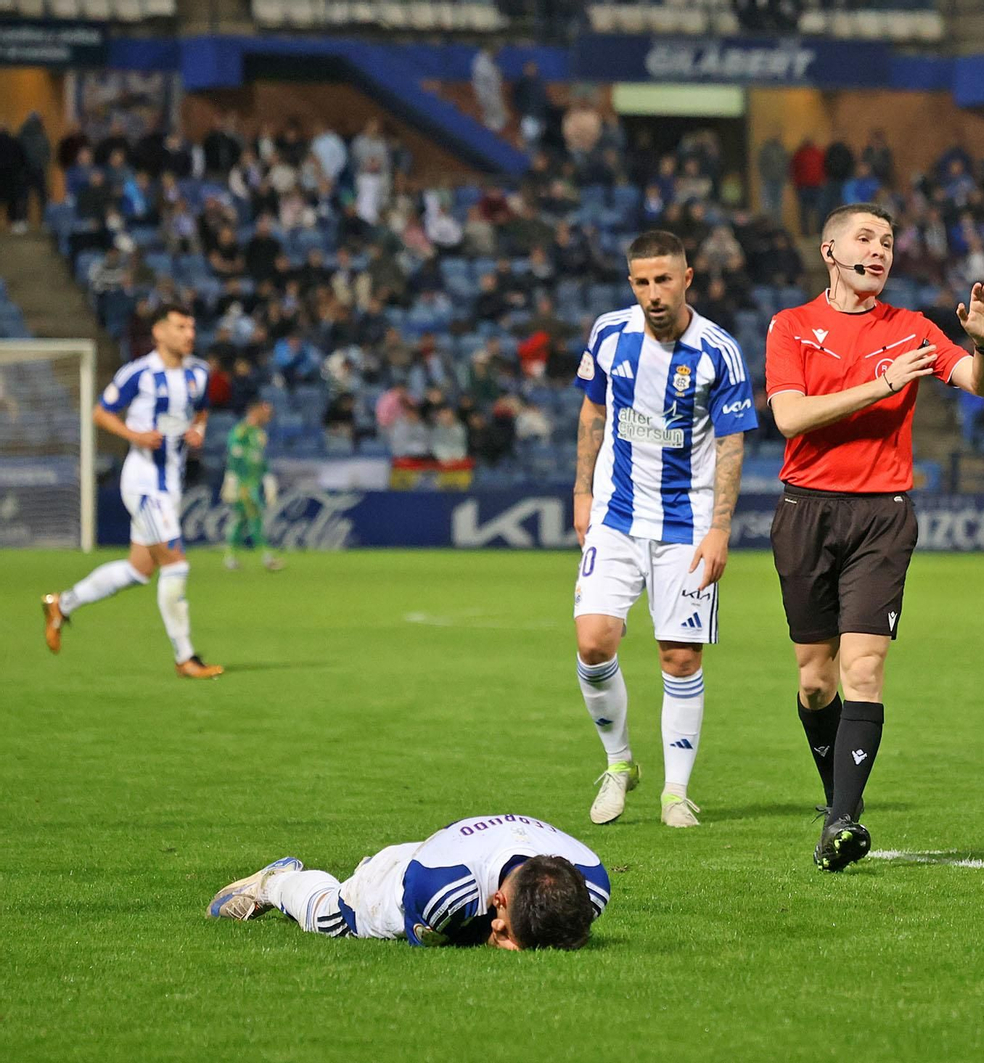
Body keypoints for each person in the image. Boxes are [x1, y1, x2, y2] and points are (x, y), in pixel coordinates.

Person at [765, 202, 984, 871]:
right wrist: (881, 386)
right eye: (866, 238)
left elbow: (978, 386)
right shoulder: (793, 326)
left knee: (862, 668)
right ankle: (836, 794)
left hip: (882, 515)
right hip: (805, 510)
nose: (880, 250)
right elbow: (790, 417)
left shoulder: (913, 328)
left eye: (889, 242)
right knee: (815, 682)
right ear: (830, 249)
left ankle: (842, 820)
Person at [572, 231, 757, 829]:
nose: (654, 293)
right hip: (618, 517)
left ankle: (675, 792)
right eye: (643, 281)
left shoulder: (718, 352)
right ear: (632, 284)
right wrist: (582, 492)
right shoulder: (608, 334)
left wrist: (720, 528)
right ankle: (619, 764)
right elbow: (593, 411)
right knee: (594, 641)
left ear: (687, 279)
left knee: (678, 657)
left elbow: (732, 444)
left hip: (688, 523)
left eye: (665, 280)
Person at [41, 305, 225, 679]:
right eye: (180, 326)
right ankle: (185, 658)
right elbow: (101, 412)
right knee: (176, 563)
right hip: (143, 482)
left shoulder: (199, 373)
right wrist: (134, 436)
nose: (189, 333)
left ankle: (62, 603)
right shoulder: (138, 373)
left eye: (191, 326)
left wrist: (198, 431)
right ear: (159, 333)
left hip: (171, 482)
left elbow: (201, 412)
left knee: (139, 569)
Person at [207, 813, 608, 951]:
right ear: (497, 902)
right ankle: (275, 883)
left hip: (459, 851)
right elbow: (452, 940)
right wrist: (493, 936)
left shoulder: (590, 884)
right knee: (331, 919)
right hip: (402, 877)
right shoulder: (440, 897)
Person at [222, 399, 285, 572]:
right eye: (264, 412)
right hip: (243, 483)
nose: (268, 416)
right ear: (254, 411)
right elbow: (234, 455)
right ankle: (266, 557)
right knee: (255, 515)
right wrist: (232, 477)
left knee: (241, 520)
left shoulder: (260, 434)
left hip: (254, 482)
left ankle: (230, 557)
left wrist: (268, 478)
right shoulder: (241, 431)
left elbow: (260, 459)